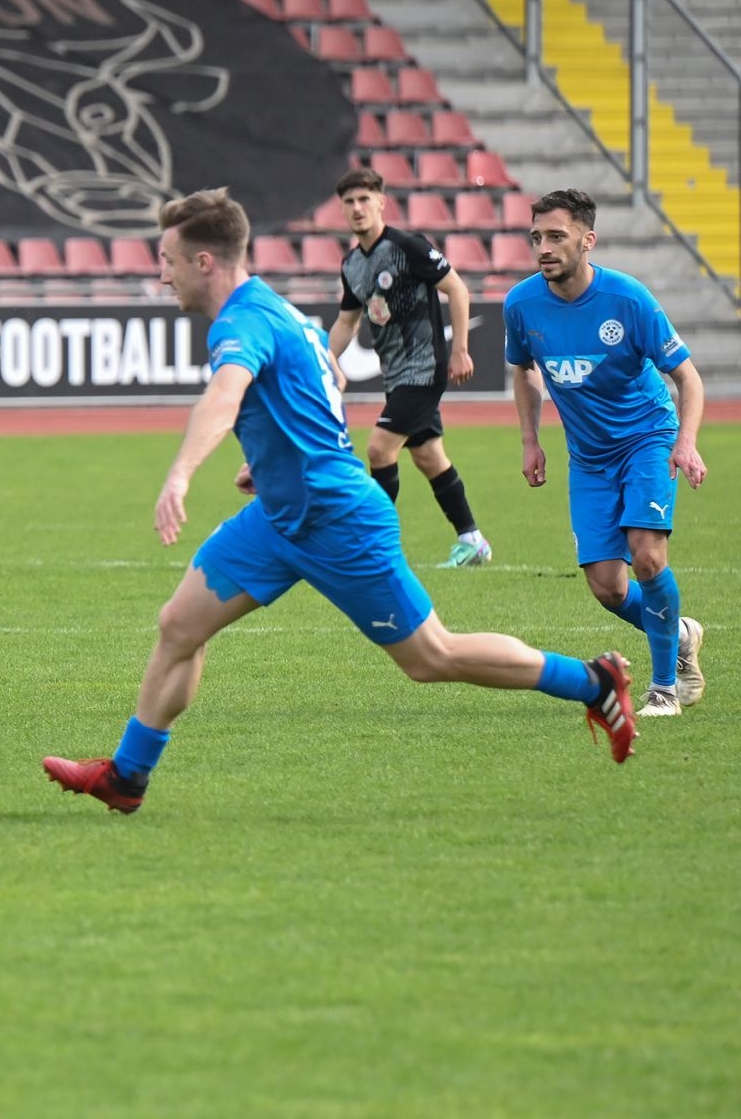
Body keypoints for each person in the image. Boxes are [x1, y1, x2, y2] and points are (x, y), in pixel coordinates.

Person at [43, 189, 639, 814]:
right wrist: (271, 460)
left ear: (204, 262)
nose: (161, 274)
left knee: (431, 657)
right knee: (179, 628)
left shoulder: (241, 323)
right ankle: (127, 777)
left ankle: (593, 681)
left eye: (167, 260)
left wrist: (180, 475)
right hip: (279, 518)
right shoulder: (278, 311)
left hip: (339, 520)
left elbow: (224, 396)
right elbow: (330, 381)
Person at [505, 188, 708, 717]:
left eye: (557, 236)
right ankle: (680, 633)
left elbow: (688, 378)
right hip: (589, 457)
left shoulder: (628, 300)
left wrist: (685, 443)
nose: (543, 248)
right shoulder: (521, 304)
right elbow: (524, 370)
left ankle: (664, 687)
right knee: (607, 587)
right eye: (536, 237)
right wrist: (530, 440)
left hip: (647, 438)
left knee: (647, 554)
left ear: (587, 240)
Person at [327, 167, 492, 567]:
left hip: (424, 368)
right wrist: (325, 360)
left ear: (381, 202)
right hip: (396, 374)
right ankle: (472, 541)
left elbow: (456, 288)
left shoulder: (408, 246)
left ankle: (375, 545)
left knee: (379, 448)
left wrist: (461, 350)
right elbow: (347, 321)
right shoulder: (352, 265)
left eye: (364, 199)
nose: (357, 208)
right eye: (349, 202)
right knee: (429, 456)